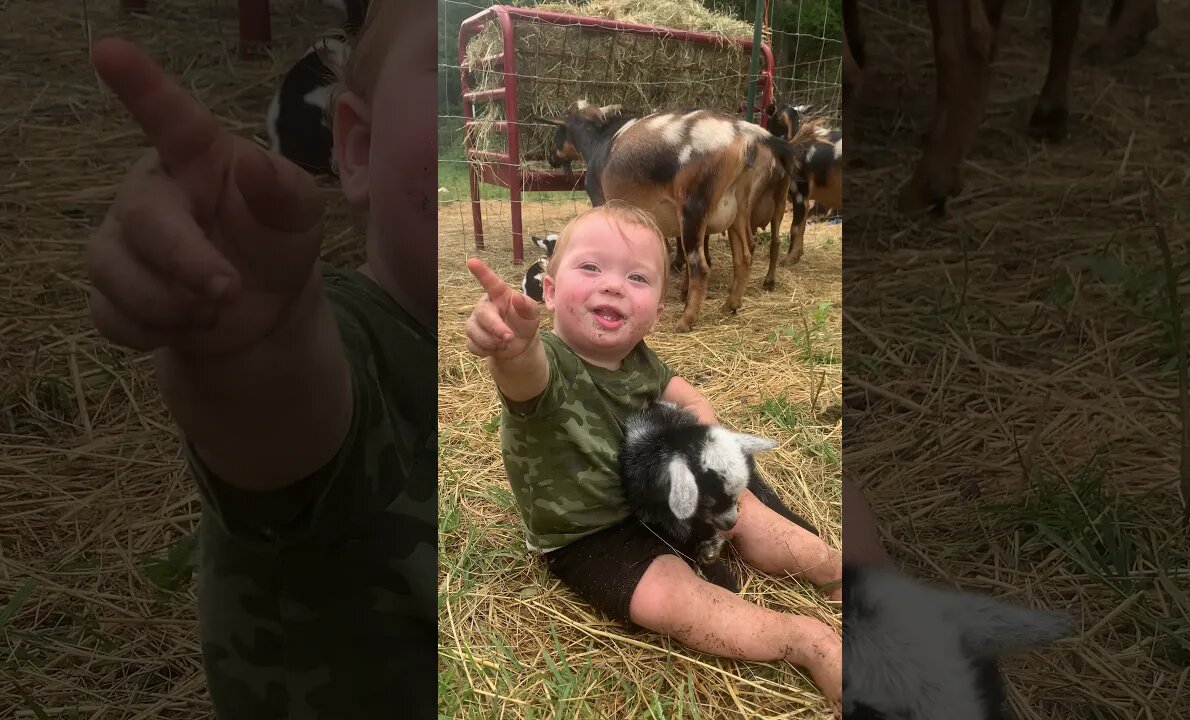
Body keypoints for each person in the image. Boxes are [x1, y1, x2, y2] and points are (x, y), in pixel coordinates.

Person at [83, 0, 436, 717]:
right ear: (359, 150)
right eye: (471, 75)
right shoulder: (357, 341)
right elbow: (279, 410)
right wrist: (250, 338)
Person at [464, 200, 844, 712]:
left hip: (661, 494)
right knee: (669, 599)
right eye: (591, 267)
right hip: (593, 534)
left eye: (637, 277)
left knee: (751, 515)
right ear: (548, 292)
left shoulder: (641, 360)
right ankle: (807, 642)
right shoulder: (547, 363)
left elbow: (685, 396)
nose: (613, 284)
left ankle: (836, 571)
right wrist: (511, 350)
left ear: (658, 309)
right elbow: (522, 377)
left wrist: (709, 446)